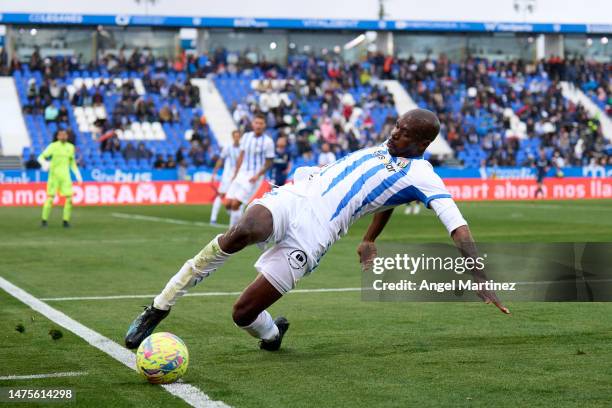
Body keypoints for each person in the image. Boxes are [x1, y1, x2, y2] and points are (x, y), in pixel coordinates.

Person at [125, 109, 509, 352]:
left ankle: (272, 335)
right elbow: (387, 199)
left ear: (423, 143)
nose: (394, 134)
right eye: (396, 126)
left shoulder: (425, 177)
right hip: (295, 195)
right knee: (244, 229)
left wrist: (479, 273)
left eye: (405, 132)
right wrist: (370, 237)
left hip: (316, 235)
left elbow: (458, 227)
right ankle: (160, 306)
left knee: (243, 314)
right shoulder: (387, 146)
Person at [224, 113, 275, 226]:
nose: (258, 125)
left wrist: (258, 175)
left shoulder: (268, 142)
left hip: (253, 177)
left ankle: (232, 231)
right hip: (241, 174)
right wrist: (235, 173)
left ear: (264, 125)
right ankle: (241, 221)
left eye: (261, 123)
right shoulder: (246, 137)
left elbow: (269, 161)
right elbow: (241, 156)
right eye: (256, 123)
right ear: (252, 124)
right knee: (227, 203)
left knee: (235, 204)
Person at [38, 129, 82, 228]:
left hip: (66, 177)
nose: (63, 136)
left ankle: (65, 221)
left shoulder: (70, 147)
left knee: (69, 199)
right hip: (54, 177)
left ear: (67, 136)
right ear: (57, 136)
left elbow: (72, 163)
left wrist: (78, 175)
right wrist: (45, 163)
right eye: (61, 135)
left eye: (64, 135)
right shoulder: (53, 146)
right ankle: (44, 220)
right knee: (50, 199)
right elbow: (40, 157)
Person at [209, 130, 241, 225]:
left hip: (238, 177)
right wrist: (214, 173)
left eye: (238, 136)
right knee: (221, 195)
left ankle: (235, 217)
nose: (236, 138)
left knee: (238, 198)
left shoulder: (243, 149)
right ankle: (213, 219)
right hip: (227, 177)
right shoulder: (228, 148)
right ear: (232, 137)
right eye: (235, 136)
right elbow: (220, 160)